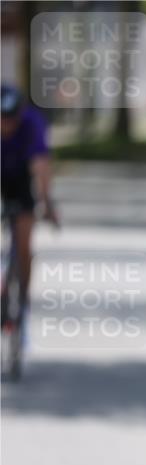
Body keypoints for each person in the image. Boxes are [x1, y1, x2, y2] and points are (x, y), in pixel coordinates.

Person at [1, 83, 58, 331]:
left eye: (11, 120)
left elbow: (41, 166)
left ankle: (22, 298)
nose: (6, 126)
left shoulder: (33, 123)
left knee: (24, 239)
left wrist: (47, 204)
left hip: (21, 178)